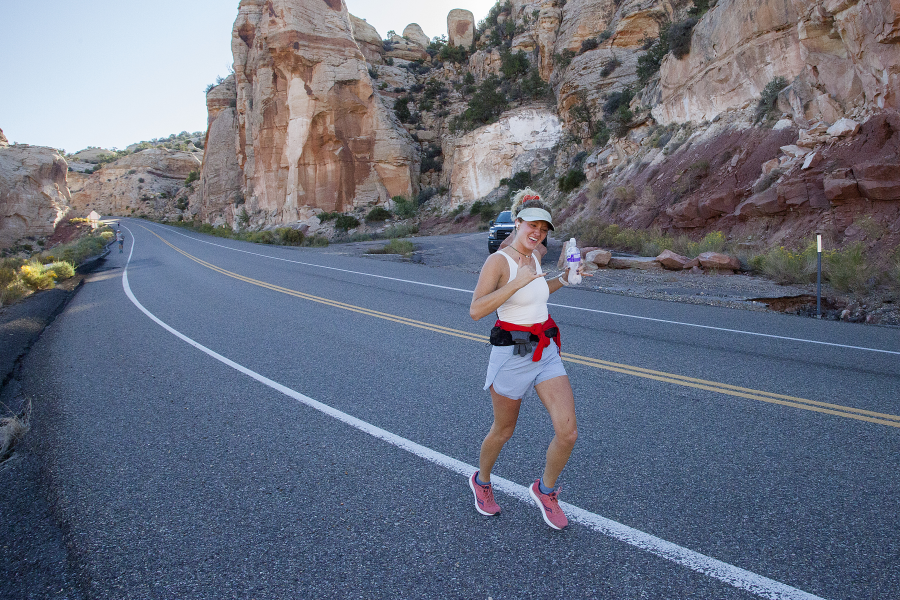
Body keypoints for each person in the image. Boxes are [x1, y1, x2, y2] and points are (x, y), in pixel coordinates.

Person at [468, 189, 588, 530]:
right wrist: (516, 282)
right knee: (504, 430)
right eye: (532, 225)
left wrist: (565, 277)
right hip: (514, 350)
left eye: (544, 228)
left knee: (568, 432)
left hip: (544, 348)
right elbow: (476, 310)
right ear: (517, 223)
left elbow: (537, 292)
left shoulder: (535, 254)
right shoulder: (499, 261)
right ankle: (482, 481)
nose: (537, 233)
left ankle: (545, 490)